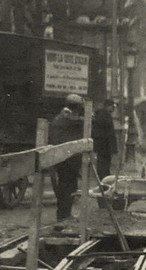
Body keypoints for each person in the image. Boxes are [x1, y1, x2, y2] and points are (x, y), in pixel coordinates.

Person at [48, 93, 85, 222]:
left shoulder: (62, 118)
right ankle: (63, 217)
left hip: (65, 159)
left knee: (67, 188)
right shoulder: (65, 119)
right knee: (66, 189)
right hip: (66, 161)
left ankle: (64, 215)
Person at [91, 98, 117, 181]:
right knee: (104, 164)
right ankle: (104, 179)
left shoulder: (100, 114)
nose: (113, 109)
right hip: (105, 144)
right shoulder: (104, 115)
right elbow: (108, 131)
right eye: (112, 106)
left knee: (103, 163)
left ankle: (104, 178)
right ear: (108, 106)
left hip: (103, 144)